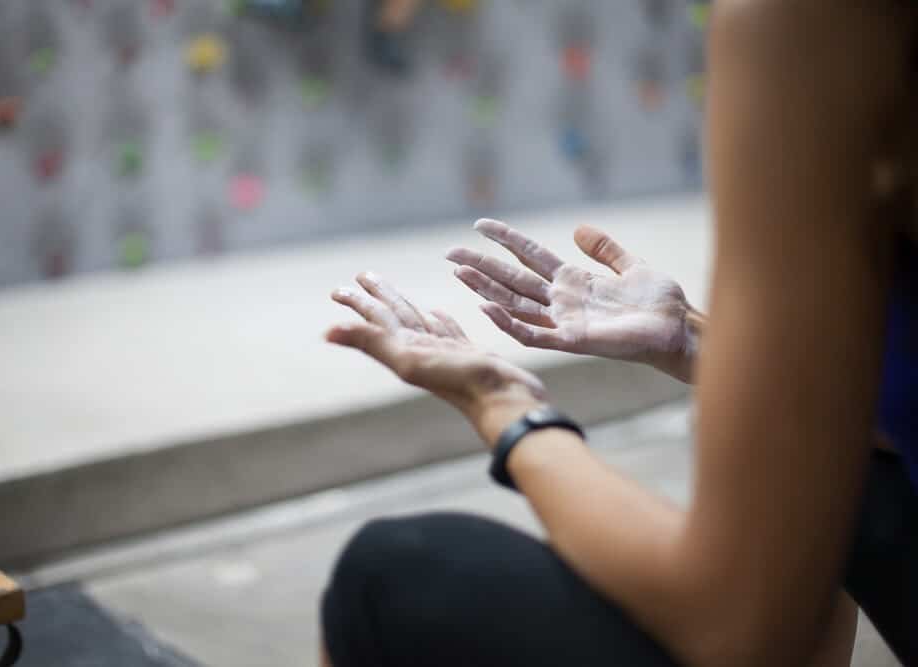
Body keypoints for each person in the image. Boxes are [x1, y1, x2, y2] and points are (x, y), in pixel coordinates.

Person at [321, 1, 917, 665]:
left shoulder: (806, 24)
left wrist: (505, 407)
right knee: (834, 460)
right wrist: (695, 340)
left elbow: (738, 626)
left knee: (385, 571)